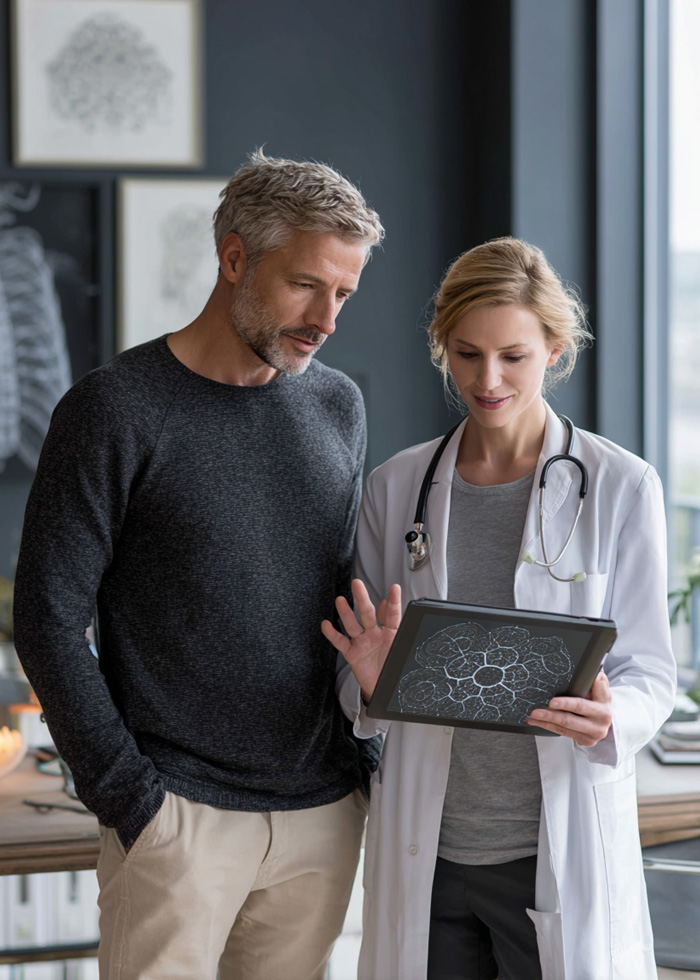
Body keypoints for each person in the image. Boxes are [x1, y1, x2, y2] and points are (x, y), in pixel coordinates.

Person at [13, 151, 384, 980]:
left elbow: (334, 593)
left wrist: (362, 762)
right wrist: (130, 799)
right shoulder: (114, 409)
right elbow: (47, 615)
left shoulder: (338, 406)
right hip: (176, 817)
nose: (326, 318)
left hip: (321, 814)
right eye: (305, 284)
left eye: (344, 294)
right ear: (233, 257)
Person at [324, 237, 677, 980]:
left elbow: (650, 668)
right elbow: (364, 682)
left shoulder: (621, 485)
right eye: (466, 354)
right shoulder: (396, 487)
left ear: (555, 347)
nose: (487, 379)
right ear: (442, 348)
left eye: (513, 356)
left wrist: (617, 718)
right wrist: (368, 678)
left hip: (552, 842)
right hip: (432, 846)